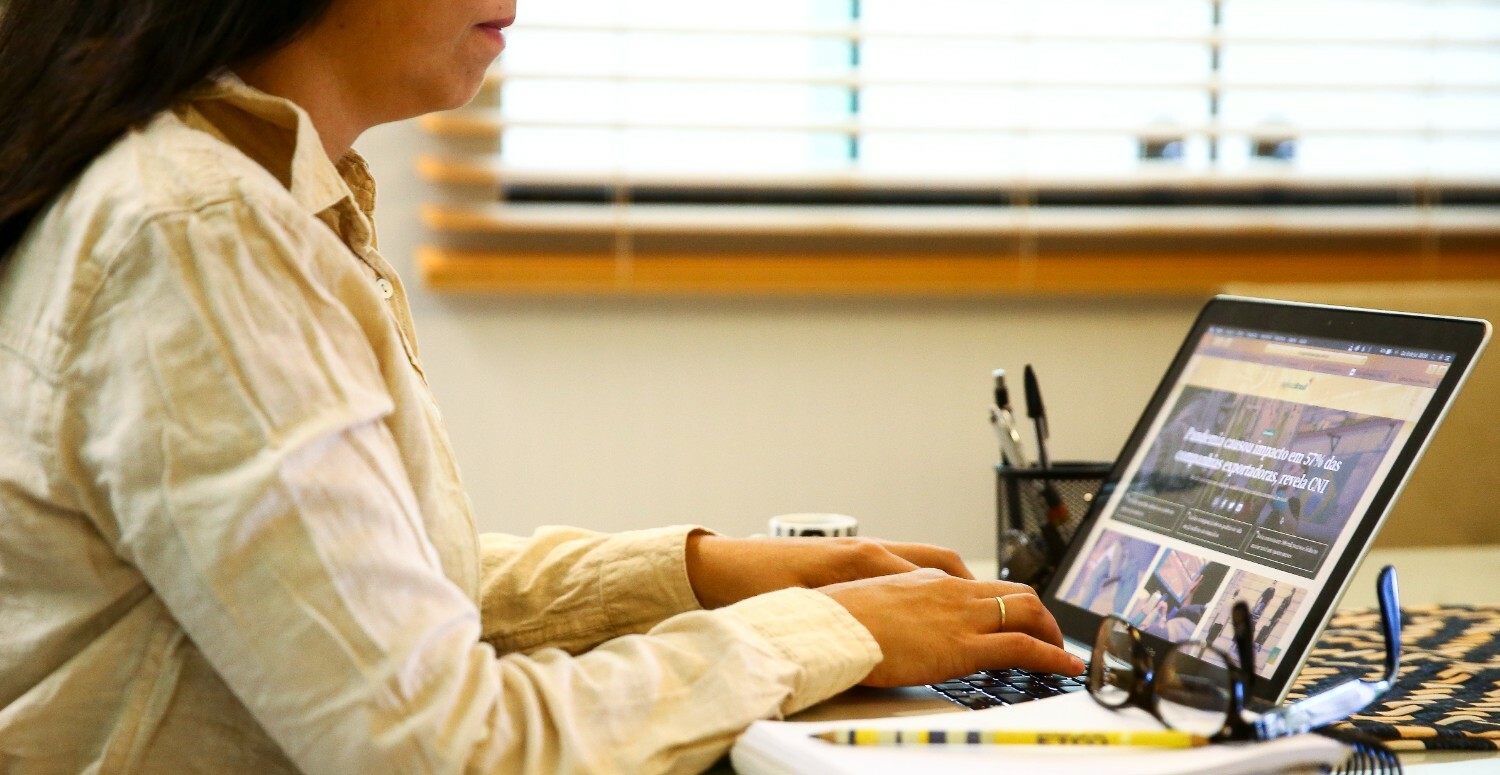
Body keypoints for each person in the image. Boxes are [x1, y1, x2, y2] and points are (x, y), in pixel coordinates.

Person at [0, 1, 1083, 773]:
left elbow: (366, 592)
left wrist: (702, 573)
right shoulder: (196, 234)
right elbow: (444, 747)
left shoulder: (228, 192)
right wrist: (822, 632)